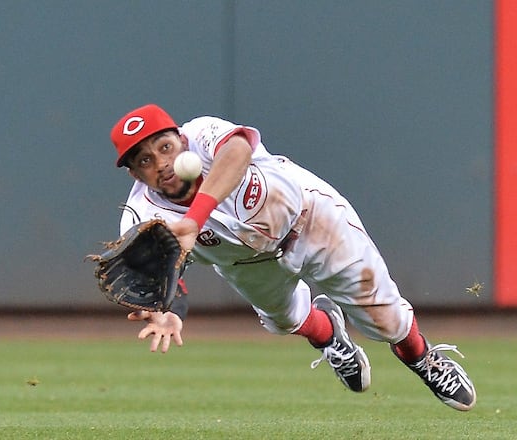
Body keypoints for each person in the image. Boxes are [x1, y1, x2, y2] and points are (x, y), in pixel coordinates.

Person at [107, 103, 476, 411]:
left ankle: (423, 359)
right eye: (144, 160)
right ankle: (331, 337)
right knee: (284, 321)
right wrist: (169, 309)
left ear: (180, 138)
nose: (160, 163)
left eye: (165, 147)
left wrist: (194, 217)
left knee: (387, 322)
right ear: (133, 172)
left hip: (312, 219)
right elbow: (156, 276)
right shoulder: (141, 214)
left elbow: (236, 152)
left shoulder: (203, 133)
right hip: (245, 263)